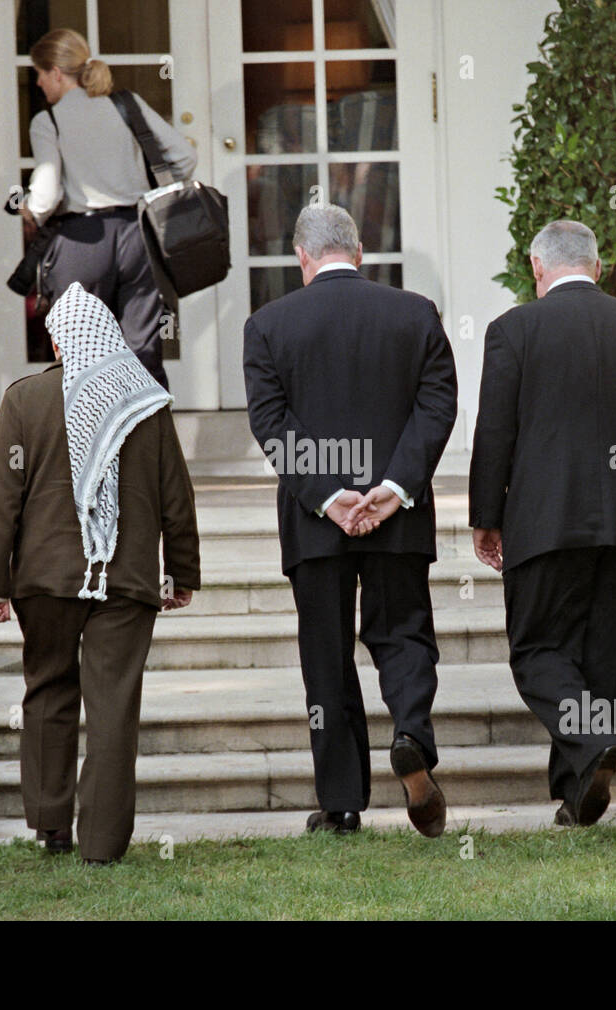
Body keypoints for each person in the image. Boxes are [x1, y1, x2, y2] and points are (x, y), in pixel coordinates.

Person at [469, 220, 616, 827]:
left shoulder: (512, 329)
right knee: (601, 661)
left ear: (538, 268)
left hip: (544, 523)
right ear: (597, 267)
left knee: (538, 650)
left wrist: (486, 516)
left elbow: (495, 431)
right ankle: (577, 798)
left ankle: (593, 750)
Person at [243, 203, 458, 837]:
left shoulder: (267, 324)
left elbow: (270, 422)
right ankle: (412, 736)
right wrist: (393, 486)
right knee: (405, 633)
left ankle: (341, 803)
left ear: (301, 257)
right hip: (398, 514)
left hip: (316, 524)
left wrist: (328, 495)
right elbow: (437, 405)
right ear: (359, 250)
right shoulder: (414, 313)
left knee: (326, 654)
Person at [0, 282, 201, 865]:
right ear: (110, 335)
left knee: (48, 689)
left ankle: (51, 825)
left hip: (44, 581)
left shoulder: (25, 400)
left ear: (58, 339)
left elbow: (4, 501)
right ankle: (101, 844)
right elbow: (176, 496)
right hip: (124, 581)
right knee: (114, 706)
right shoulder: (146, 403)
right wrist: (182, 572)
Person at [22, 28, 197, 391]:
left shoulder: (48, 121)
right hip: (138, 233)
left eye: (39, 73)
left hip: (81, 240)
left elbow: (46, 194)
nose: (38, 83)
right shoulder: (126, 104)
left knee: (81, 354)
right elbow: (184, 156)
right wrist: (155, 191)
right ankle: (151, 444)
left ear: (56, 71)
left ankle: (93, 445)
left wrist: (29, 211)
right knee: (143, 351)